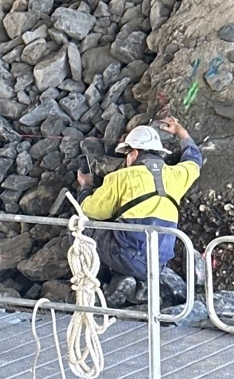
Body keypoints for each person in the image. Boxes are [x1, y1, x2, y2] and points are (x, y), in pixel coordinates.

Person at [75, 116, 202, 289]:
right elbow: (194, 160)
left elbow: (90, 211)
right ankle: (125, 281)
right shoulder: (176, 176)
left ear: (134, 153)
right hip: (158, 265)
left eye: (127, 154)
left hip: (130, 259)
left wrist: (86, 187)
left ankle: (95, 285)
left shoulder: (121, 177)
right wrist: (181, 132)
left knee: (79, 229)